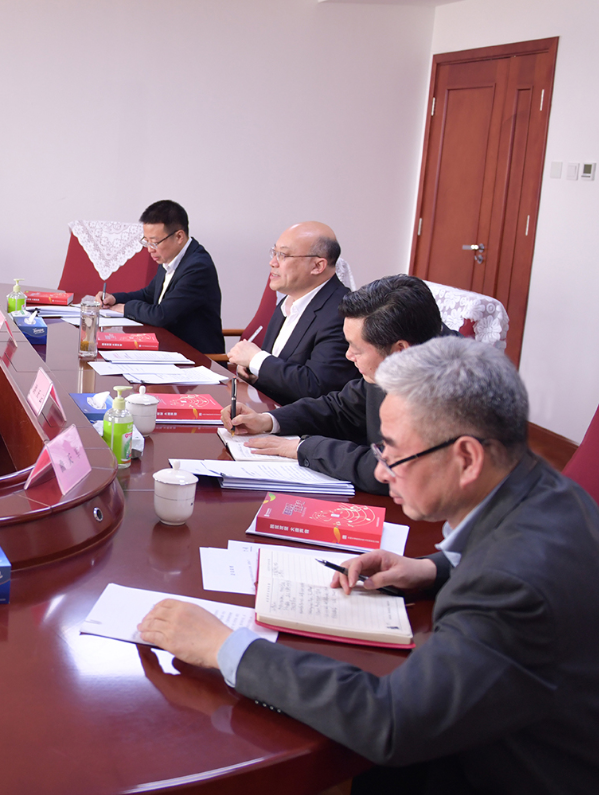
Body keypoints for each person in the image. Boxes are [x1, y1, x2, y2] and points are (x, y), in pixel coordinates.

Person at [139, 336, 599, 793]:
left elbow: (393, 720)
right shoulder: (547, 491)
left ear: (466, 457)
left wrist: (224, 646)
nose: (380, 471)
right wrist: (434, 569)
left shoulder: (512, 584)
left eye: (393, 453)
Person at [223, 274, 446, 495]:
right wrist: (267, 421)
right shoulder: (399, 361)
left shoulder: (448, 388)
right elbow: (341, 408)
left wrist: (303, 447)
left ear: (400, 350)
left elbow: (391, 469)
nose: (348, 355)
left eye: (356, 349)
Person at [225, 221, 358, 405]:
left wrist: (257, 360)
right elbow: (278, 367)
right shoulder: (289, 300)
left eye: (283, 255)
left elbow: (317, 387)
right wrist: (253, 370)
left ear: (317, 266)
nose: (273, 262)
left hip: (302, 421)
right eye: (274, 253)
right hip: (269, 410)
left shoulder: (342, 312)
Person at [97, 200, 223, 354]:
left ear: (179, 236)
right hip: (169, 349)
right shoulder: (170, 257)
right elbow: (148, 295)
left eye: (155, 242)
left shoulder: (197, 268)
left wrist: (124, 308)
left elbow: (161, 315)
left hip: (196, 357)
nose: (150, 249)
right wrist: (115, 298)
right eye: (146, 242)